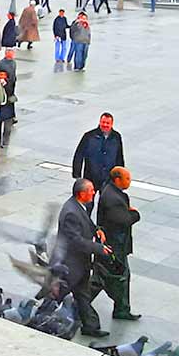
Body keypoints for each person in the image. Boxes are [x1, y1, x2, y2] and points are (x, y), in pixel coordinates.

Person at [52, 179, 113, 337]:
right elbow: (76, 240)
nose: (94, 192)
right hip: (70, 265)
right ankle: (40, 316)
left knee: (83, 295)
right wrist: (99, 248)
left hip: (80, 264)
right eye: (91, 190)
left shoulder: (78, 206)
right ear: (82, 193)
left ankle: (90, 327)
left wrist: (96, 230)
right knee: (56, 295)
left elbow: (86, 223)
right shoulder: (71, 212)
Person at [96, 166, 141, 321]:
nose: (130, 181)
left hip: (113, 245)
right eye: (127, 178)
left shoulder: (111, 191)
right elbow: (124, 221)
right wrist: (135, 214)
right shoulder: (113, 199)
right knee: (109, 279)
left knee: (116, 277)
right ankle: (79, 306)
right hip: (115, 246)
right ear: (117, 179)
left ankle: (121, 308)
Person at [72, 112, 125, 190]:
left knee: (107, 201)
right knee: (88, 201)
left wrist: (121, 177)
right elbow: (79, 155)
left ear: (112, 124)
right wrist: (77, 175)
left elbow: (119, 157)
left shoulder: (116, 137)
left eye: (108, 123)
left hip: (108, 179)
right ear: (100, 122)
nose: (105, 125)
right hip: (90, 177)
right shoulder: (89, 136)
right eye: (103, 122)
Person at [0, 68, 16, 148]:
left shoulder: (10, 83)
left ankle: (5, 141)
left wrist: (4, 84)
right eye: (0, 75)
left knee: (7, 127)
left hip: (8, 107)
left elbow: (10, 91)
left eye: (4, 75)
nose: (2, 77)